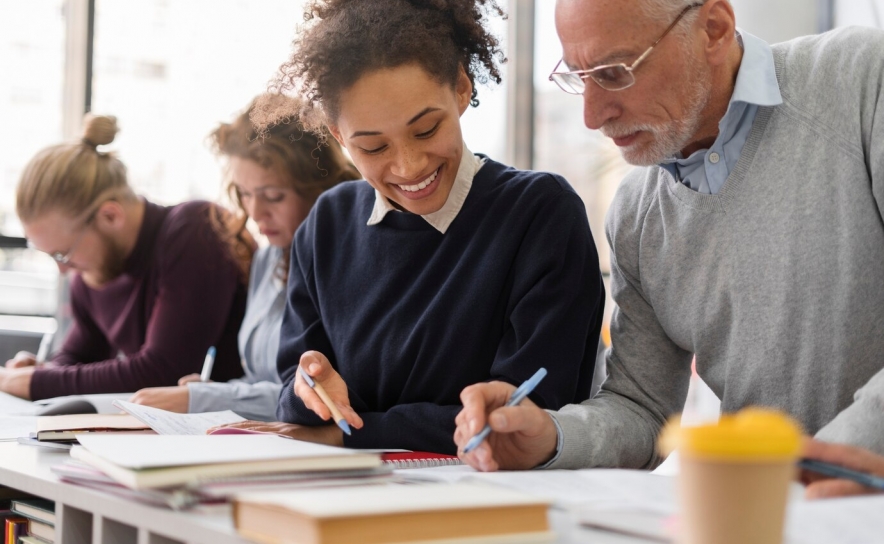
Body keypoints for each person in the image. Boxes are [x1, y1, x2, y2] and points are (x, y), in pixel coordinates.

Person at [455, 0, 884, 471]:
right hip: (760, 510)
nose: (593, 116)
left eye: (615, 72)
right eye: (578, 77)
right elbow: (642, 408)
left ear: (714, 30)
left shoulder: (861, 78)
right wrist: (550, 437)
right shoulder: (638, 215)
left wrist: (814, 470)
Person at [219, 0, 605, 454]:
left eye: (425, 130)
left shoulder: (540, 215)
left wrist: (351, 434)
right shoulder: (327, 224)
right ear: (340, 137)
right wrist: (311, 389)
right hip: (343, 494)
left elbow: (525, 416)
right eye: (373, 147)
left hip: (494, 502)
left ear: (461, 88)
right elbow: (295, 390)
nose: (408, 166)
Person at [129, 96, 360, 420]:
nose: (255, 212)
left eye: (273, 196)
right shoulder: (266, 262)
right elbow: (262, 382)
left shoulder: (349, 263)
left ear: (319, 188)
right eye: (245, 194)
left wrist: (208, 397)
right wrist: (212, 392)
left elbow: (320, 394)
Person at [0, 114, 248, 400]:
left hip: (245, 430)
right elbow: (77, 359)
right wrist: (43, 370)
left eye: (63, 253)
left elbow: (162, 371)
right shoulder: (92, 271)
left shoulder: (196, 229)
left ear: (110, 216)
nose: (63, 269)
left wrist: (39, 382)